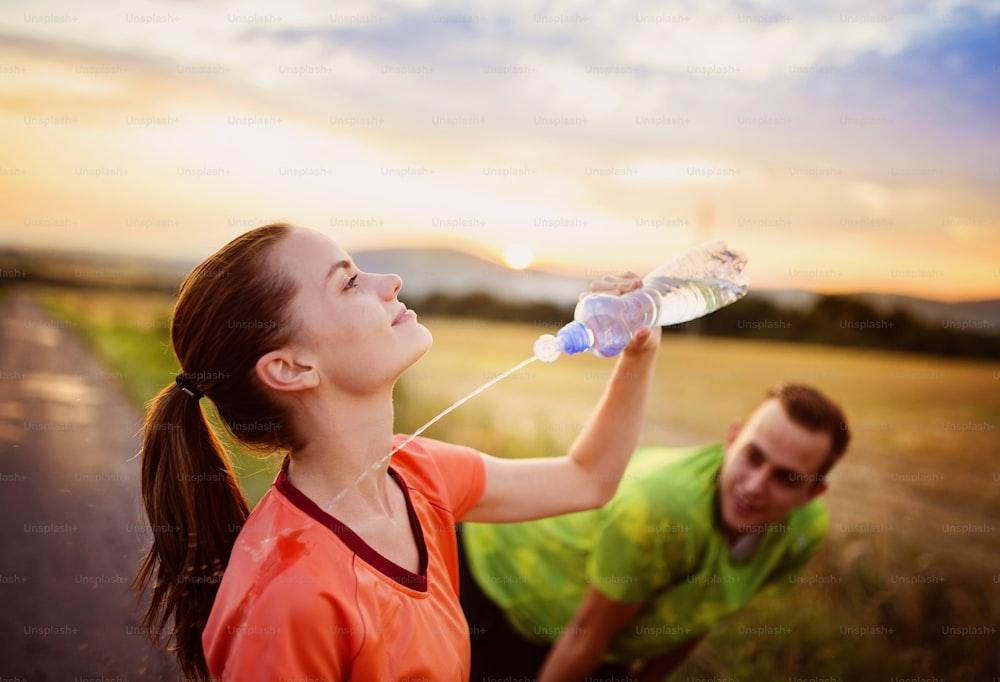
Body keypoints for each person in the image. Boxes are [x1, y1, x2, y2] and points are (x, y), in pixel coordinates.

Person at [133, 222, 660, 681]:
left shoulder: (417, 472)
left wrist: (639, 352)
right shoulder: (290, 597)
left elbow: (587, 479)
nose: (391, 283)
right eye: (349, 282)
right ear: (291, 368)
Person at [460, 382, 850, 681]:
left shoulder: (804, 532)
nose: (753, 486)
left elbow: (705, 612)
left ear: (813, 492)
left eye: (786, 477)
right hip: (493, 578)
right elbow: (585, 635)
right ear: (732, 440)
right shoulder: (664, 511)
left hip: (591, 629)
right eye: (753, 456)